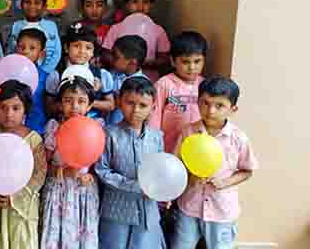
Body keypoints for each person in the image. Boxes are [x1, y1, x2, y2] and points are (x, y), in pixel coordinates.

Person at [171, 76, 258, 249]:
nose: (210, 110)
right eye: (205, 103)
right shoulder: (189, 132)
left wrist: (225, 182)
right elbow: (175, 165)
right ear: (198, 102)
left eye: (219, 105)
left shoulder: (238, 138)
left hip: (221, 211)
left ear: (233, 109)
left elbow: (247, 170)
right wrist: (189, 177)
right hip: (189, 206)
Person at [0, 80, 47, 249]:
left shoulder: (33, 139)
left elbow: (39, 174)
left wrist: (15, 197)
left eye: (16, 108)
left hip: (21, 208)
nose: (9, 114)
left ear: (25, 110)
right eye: (3, 108)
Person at [94, 77, 166, 249]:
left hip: (147, 210)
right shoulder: (108, 134)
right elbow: (102, 170)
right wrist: (135, 186)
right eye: (130, 103)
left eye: (143, 105)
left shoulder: (157, 137)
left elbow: (161, 169)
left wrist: (163, 190)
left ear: (153, 108)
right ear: (119, 102)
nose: (136, 110)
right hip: (116, 210)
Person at [40, 75, 100, 249]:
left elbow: (98, 165)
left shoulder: (95, 128)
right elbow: (44, 164)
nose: (75, 106)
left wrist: (90, 176)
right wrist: (62, 171)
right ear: (59, 104)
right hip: (58, 191)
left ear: (89, 105)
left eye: (81, 101)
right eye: (68, 101)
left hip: (83, 191)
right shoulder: (54, 128)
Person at [150, 31, 207, 153]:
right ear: (173, 61)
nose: (192, 67)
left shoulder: (205, 85)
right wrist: (154, 147)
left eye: (197, 61)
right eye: (185, 62)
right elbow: (154, 118)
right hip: (168, 150)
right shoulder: (164, 84)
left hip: (196, 152)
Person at [102, 0, 170, 82]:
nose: (140, 7)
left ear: (151, 4)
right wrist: (122, 64)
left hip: (148, 81)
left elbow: (164, 59)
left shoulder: (158, 30)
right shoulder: (116, 28)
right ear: (126, 4)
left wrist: (143, 63)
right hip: (120, 80)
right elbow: (106, 54)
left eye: (145, 2)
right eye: (135, 2)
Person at [45, 23, 115, 120]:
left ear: (93, 52)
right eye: (76, 46)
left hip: (93, 123)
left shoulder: (102, 75)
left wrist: (87, 101)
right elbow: (49, 107)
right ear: (66, 48)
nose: (82, 51)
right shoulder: (56, 75)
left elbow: (111, 105)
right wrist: (68, 104)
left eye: (88, 48)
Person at [6, 0, 62, 74]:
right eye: (27, 2)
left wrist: (45, 71)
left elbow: (57, 52)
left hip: (47, 72)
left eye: (37, 3)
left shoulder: (51, 26)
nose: (32, 6)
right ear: (21, 5)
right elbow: (11, 50)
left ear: (44, 6)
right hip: (20, 71)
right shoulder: (16, 25)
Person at [104, 35, 149, 125]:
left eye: (116, 57)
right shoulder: (109, 75)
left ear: (132, 62)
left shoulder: (144, 85)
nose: (111, 59)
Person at [14, 27, 48, 135]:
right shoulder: (8, 73)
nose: (25, 51)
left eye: (32, 48)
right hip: (11, 128)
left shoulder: (46, 77)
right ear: (15, 49)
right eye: (21, 47)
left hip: (36, 129)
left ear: (41, 54)